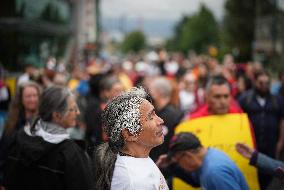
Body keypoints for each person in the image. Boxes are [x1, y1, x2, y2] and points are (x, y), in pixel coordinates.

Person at [3, 86, 93, 190]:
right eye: (73, 109)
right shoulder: (70, 153)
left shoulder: (19, 138)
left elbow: (7, 179)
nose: (78, 112)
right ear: (57, 115)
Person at [93, 87, 168, 190]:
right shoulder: (134, 181)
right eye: (150, 117)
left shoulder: (137, 160)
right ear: (129, 134)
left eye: (155, 114)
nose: (161, 121)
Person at [238, 71, 284, 189]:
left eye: (267, 83)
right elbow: (238, 120)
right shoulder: (245, 99)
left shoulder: (277, 100)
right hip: (252, 143)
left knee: (270, 170)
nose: (264, 85)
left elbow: (282, 121)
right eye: (261, 82)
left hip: (271, 144)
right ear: (255, 82)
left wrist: (280, 141)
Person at [156, 132, 249, 190]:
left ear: (188, 156)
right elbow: (196, 181)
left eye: (178, 161)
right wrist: (172, 167)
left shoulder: (215, 173)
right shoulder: (208, 158)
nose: (179, 164)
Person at [0, 81, 40, 188]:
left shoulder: (45, 122)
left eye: (35, 95)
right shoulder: (12, 121)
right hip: (11, 180)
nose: (32, 99)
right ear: (21, 99)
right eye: (28, 96)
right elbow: (3, 150)